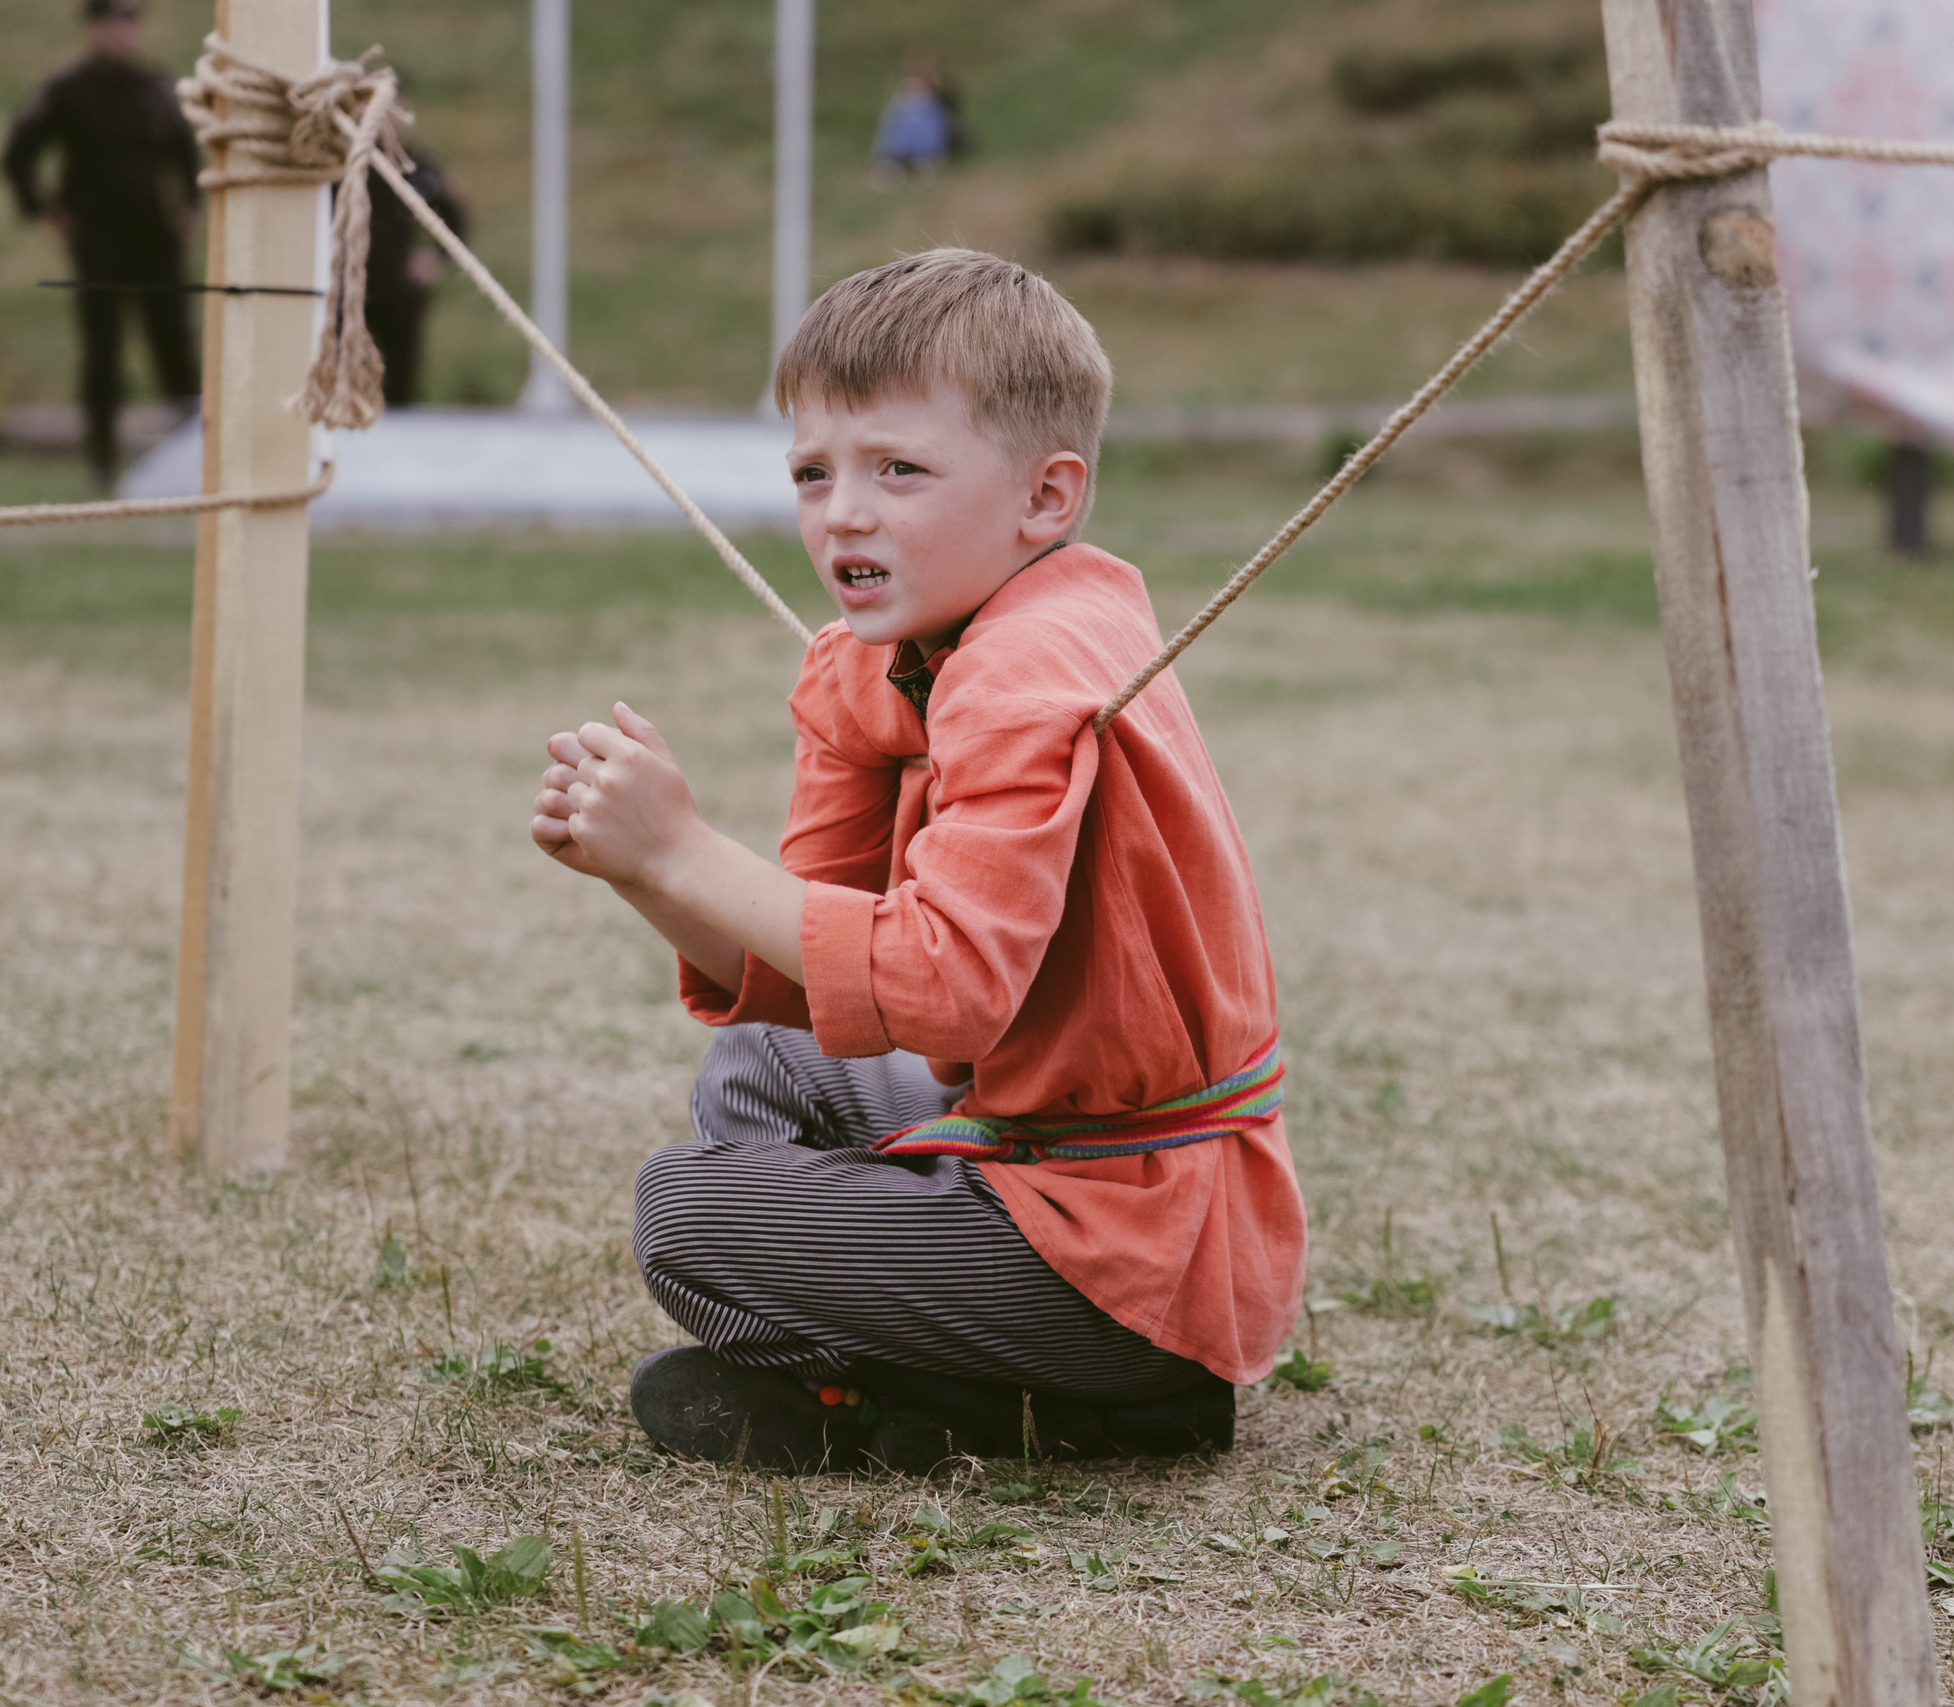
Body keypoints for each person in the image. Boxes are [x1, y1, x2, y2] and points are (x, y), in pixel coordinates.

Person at [527, 250, 1304, 1474]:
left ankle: (1042, 1403)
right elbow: (817, 955)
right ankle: (912, 1346)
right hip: (1021, 1129)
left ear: (1045, 500)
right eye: (812, 472)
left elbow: (943, 992)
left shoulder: (1029, 663)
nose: (844, 513)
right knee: (761, 1060)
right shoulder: (892, 657)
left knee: (687, 1213)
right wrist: (647, 873)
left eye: (900, 470)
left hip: (1133, 1247)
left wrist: (684, 842)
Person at [0, 0, 201, 486]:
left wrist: (192, 205)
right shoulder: (67, 91)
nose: (123, 35)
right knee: (103, 348)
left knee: (175, 344)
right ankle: (102, 460)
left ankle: (191, 451)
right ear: (94, 30)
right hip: (98, 239)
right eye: (113, 25)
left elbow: (184, 152)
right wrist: (45, 213)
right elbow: (18, 157)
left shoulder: (156, 86)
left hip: (156, 237)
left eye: (131, 24)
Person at [362, 140, 469, 407]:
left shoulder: (414, 164)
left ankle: (397, 425)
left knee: (400, 370)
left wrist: (437, 257)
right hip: (348, 285)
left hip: (399, 288)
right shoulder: (341, 159)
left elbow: (455, 212)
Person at [871, 70, 955, 178]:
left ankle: (921, 162)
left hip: (925, 149)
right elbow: (887, 131)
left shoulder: (933, 109)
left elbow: (935, 133)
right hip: (899, 148)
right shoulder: (897, 109)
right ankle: (892, 162)